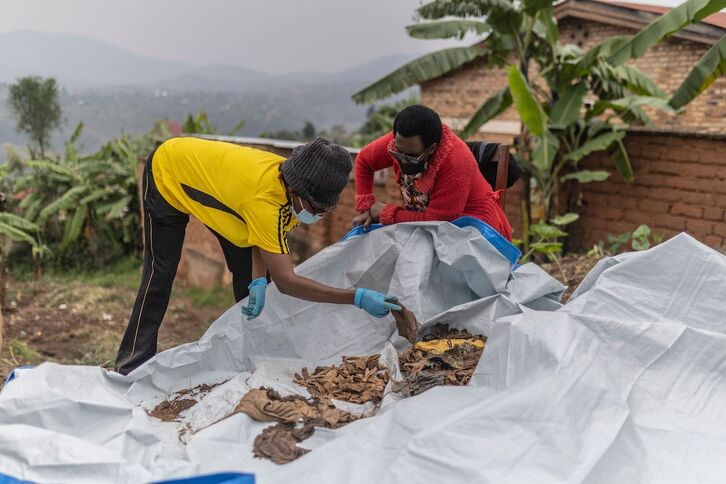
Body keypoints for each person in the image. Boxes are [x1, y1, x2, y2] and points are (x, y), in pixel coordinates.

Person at [115, 137, 400, 375]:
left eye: (325, 210)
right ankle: (131, 363)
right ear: (297, 190)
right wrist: (356, 297)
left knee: (252, 282)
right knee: (160, 273)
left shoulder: (288, 181)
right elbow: (288, 281)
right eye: (317, 207)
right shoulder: (265, 203)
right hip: (168, 173)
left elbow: (263, 237)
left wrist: (256, 281)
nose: (319, 214)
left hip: (224, 199)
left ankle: (257, 358)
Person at [352, 105, 512, 240]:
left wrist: (386, 212)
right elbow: (364, 161)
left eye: (413, 156)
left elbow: (438, 220)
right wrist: (366, 207)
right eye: (399, 153)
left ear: (432, 148)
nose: (404, 161)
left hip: (472, 231)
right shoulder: (400, 143)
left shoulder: (456, 162)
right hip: (428, 227)